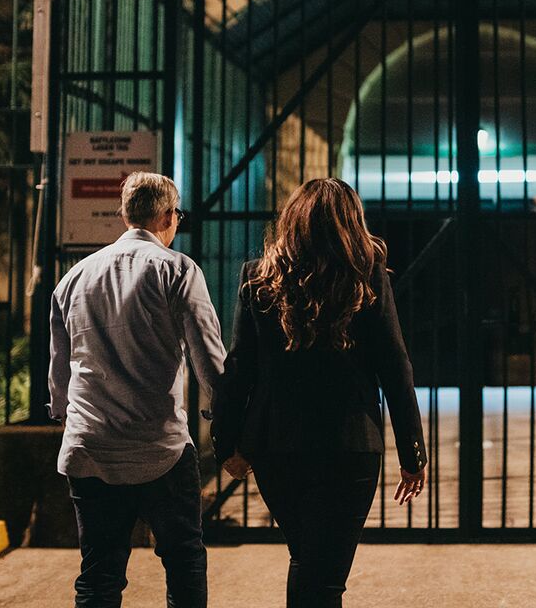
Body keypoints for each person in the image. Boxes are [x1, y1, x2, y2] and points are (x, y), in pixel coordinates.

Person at [211, 177, 428, 608]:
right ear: (352, 222)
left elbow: (240, 368)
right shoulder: (366, 278)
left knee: (312, 564)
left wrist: (227, 442)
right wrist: (413, 452)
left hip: (278, 448)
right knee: (322, 576)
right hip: (349, 447)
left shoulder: (259, 278)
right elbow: (395, 366)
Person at [48, 172, 225, 608]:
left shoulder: (73, 279)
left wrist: (64, 415)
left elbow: (59, 376)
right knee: (183, 561)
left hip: (90, 446)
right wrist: (226, 416)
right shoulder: (177, 269)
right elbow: (209, 360)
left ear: (126, 215)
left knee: (99, 572)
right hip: (158, 446)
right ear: (167, 215)